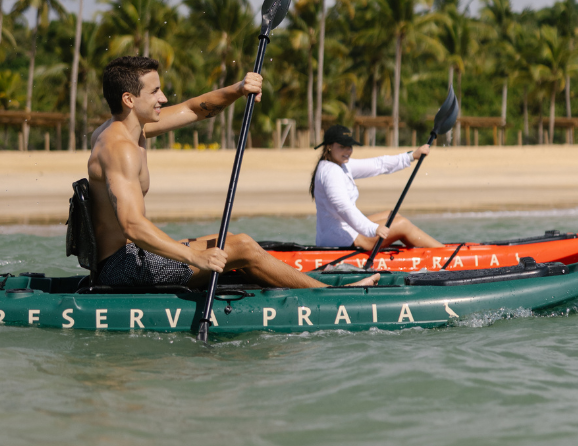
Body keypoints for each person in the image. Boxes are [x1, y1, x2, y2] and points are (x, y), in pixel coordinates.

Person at [89, 57, 375, 289]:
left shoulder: (129, 127)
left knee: (237, 241)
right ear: (129, 99)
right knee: (245, 250)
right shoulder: (120, 148)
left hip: (133, 257)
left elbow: (193, 109)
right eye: (154, 91)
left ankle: (289, 285)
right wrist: (195, 257)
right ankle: (329, 296)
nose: (163, 98)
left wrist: (239, 89)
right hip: (122, 269)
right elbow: (133, 225)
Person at [311, 124, 445, 252]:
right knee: (402, 224)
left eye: (349, 146)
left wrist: (410, 156)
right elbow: (343, 207)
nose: (348, 151)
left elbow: (377, 165)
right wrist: (372, 229)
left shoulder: (340, 165)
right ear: (329, 146)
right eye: (342, 147)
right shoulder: (331, 172)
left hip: (342, 232)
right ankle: (447, 255)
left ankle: (431, 252)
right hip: (341, 239)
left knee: (392, 215)